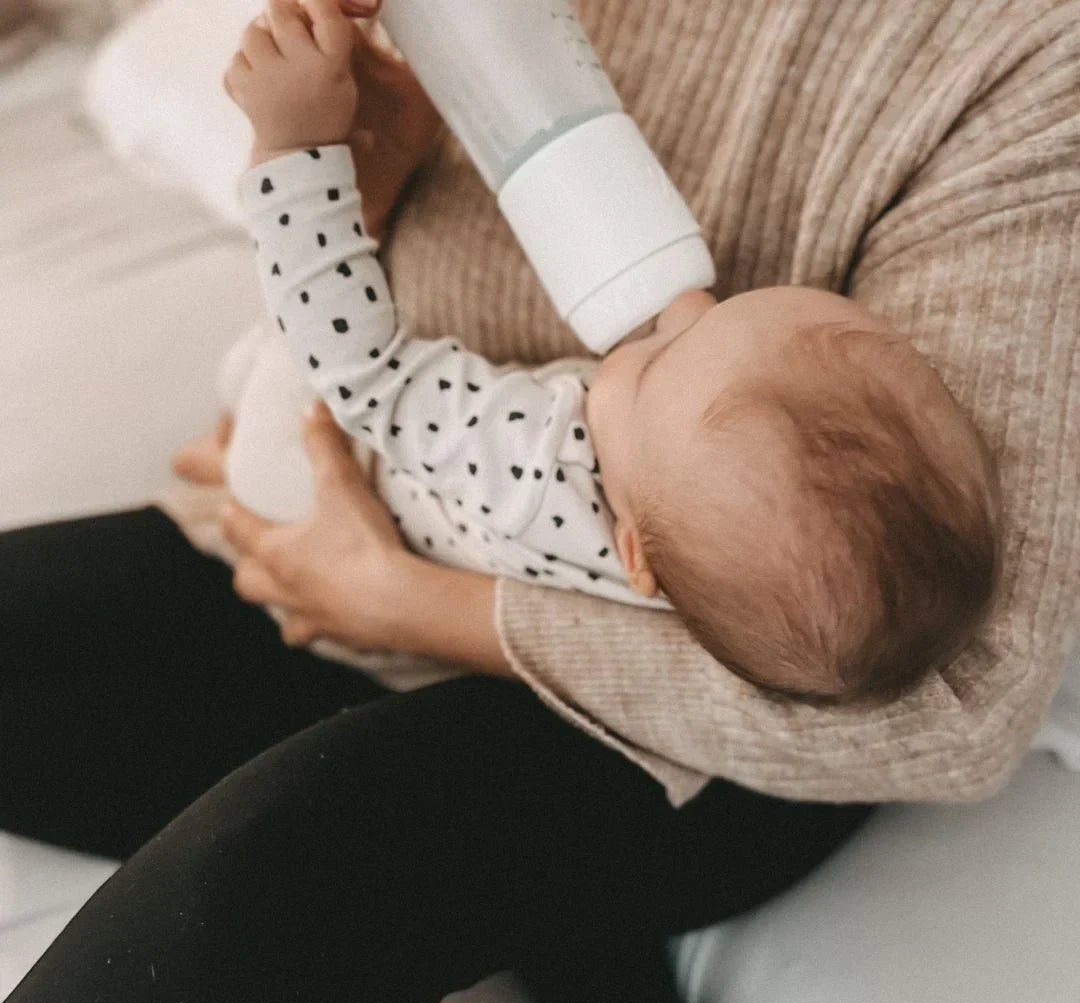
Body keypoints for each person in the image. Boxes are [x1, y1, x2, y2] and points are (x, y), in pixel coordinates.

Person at [1, 0, 1077, 1003]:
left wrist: (413, 604)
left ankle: (536, 911)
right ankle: (567, 936)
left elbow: (954, 702)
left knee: (247, 898)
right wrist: (390, 172)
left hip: (711, 721)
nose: (681, 307)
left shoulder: (1034, 67)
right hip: (391, 522)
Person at [223, 0, 1001, 705]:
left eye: (660, 360)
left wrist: (294, 153)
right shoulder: (734, 555)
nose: (690, 302)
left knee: (255, 385)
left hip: (313, 474)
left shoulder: (540, 471)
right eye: (728, 311)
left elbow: (364, 375)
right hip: (378, 476)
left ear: (631, 549)